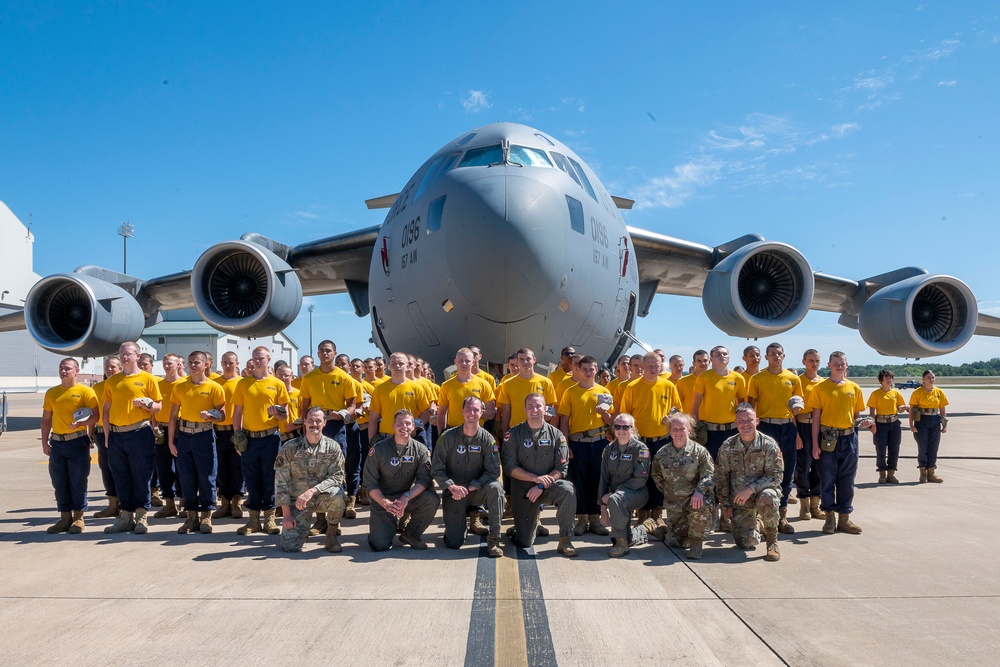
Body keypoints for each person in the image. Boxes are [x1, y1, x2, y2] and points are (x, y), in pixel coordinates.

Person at [501, 393, 578, 557]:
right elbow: (509, 467)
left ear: (545, 409)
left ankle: (565, 539)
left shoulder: (557, 435)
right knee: (524, 542)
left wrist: (541, 485)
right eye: (530, 407)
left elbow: (562, 468)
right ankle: (524, 526)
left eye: (538, 406)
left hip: (547, 486)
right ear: (525, 410)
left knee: (568, 489)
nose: (534, 410)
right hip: (524, 491)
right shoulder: (513, 434)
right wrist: (535, 479)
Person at [101, 341, 163, 534]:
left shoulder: (148, 378)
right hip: (117, 434)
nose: (124, 357)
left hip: (139, 432)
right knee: (120, 476)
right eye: (121, 354)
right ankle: (125, 516)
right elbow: (106, 409)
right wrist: (106, 434)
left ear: (137, 355)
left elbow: (158, 406)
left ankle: (141, 516)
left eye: (128, 354)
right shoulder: (112, 381)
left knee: (141, 475)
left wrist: (147, 405)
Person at [431, 396, 505, 557]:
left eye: (476, 410)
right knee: (454, 543)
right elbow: (436, 468)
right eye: (468, 409)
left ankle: (494, 539)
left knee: (496, 488)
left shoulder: (487, 439)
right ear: (462, 411)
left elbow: (493, 472)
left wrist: (471, 487)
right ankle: (458, 525)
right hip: (454, 493)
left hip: (477, 490)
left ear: (482, 412)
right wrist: (451, 486)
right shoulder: (448, 437)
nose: (472, 413)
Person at [807, 351, 870, 535]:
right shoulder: (820, 388)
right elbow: (816, 418)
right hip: (828, 439)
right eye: (835, 363)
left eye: (842, 363)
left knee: (847, 480)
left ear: (846, 364)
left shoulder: (854, 388)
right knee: (827, 478)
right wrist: (815, 444)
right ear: (829, 365)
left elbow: (857, 417)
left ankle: (844, 518)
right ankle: (829, 518)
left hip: (849, 438)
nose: (839, 366)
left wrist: (865, 423)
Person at [618, 351, 681, 524]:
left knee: (660, 477)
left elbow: (677, 410)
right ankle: (643, 514)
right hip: (640, 442)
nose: (654, 369)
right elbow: (625, 415)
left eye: (657, 365)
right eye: (650, 366)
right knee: (641, 477)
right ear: (642, 367)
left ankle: (658, 514)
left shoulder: (668, 386)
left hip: (662, 440)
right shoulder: (632, 387)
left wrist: (671, 418)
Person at [363, 409, 440, 551]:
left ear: (413, 427)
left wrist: (406, 497)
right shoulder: (378, 449)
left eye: (407, 423)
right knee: (380, 545)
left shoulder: (420, 450)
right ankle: (386, 525)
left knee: (432, 499)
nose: (404, 427)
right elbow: (370, 483)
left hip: (406, 498)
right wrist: (386, 503)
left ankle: (411, 534)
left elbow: (424, 480)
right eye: (400, 423)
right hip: (383, 500)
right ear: (393, 426)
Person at [232, 346, 289, 536]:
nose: (257, 361)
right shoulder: (243, 384)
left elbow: (285, 414)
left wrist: (277, 412)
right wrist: (237, 437)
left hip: (271, 438)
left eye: (261, 358)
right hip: (249, 439)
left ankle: (270, 519)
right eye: (255, 358)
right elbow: (237, 412)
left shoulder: (277, 384)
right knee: (251, 478)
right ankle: (253, 520)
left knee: (270, 477)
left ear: (269, 359)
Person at [747, 342, 803, 534]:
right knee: (762, 471)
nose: (776, 356)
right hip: (766, 427)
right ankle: (761, 516)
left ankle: (782, 515)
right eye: (772, 354)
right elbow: (750, 408)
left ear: (784, 356)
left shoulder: (792, 378)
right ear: (766, 357)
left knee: (786, 472)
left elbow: (797, 410)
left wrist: (797, 435)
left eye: (779, 353)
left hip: (787, 427)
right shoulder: (757, 378)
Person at [274, 406, 348, 552]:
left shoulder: (333, 447)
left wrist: (313, 491)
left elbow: (337, 476)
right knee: (290, 546)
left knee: (338, 496)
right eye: (311, 421)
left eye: (318, 421)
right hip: (298, 503)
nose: (314, 424)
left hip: (321, 497)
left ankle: (331, 535)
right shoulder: (290, 448)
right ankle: (302, 531)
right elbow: (281, 481)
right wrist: (287, 514)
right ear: (305, 422)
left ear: (324, 423)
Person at [715, 404, 783, 561]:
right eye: (741, 420)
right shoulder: (727, 446)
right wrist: (726, 506)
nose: (745, 424)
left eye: (749, 420)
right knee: (746, 543)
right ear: (735, 423)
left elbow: (776, 476)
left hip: (762, 493)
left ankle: (772, 542)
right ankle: (758, 523)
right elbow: (721, 478)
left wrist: (751, 489)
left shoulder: (768, 444)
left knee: (769, 497)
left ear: (757, 421)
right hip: (739, 501)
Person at [167, 351, 226, 534]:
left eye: (197, 362)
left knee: (207, 476)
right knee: (186, 477)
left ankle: (206, 516)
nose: (193, 365)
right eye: (190, 362)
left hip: (204, 435)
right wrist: (171, 441)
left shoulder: (215, 387)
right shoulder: (180, 387)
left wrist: (211, 416)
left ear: (206, 364)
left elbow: (222, 414)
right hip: (184, 436)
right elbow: (173, 416)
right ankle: (191, 518)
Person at [41, 358, 100, 534]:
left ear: (76, 370)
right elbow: (46, 419)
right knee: (59, 481)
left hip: (77, 441)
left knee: (78, 480)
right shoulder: (52, 393)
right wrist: (44, 441)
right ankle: (64, 518)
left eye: (67, 368)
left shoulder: (86, 391)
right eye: (61, 368)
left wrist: (81, 426)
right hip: (57, 443)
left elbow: (94, 416)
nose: (63, 371)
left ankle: (78, 518)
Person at [692, 345, 747, 531]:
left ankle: (727, 515)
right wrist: (695, 428)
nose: (722, 356)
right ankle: (712, 515)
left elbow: (743, 405)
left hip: (731, 431)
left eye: (725, 354)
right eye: (717, 354)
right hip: (710, 432)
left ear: (729, 357)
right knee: (712, 472)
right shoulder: (704, 378)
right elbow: (695, 406)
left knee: (731, 473)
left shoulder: (737, 378)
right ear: (712, 359)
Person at [558, 355, 614, 537]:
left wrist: (604, 414)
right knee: (579, 481)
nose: (589, 372)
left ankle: (595, 519)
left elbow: (610, 421)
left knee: (598, 480)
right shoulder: (570, 392)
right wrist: (566, 445)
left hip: (599, 442)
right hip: (578, 442)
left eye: (592, 369)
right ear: (579, 370)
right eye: (585, 369)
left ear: (596, 369)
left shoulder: (604, 392)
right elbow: (564, 421)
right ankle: (581, 519)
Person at [650, 412, 715, 560]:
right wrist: (669, 491)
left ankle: (697, 544)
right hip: (675, 504)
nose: (678, 432)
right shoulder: (662, 454)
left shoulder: (700, 452)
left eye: (682, 429)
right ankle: (659, 528)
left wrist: (699, 492)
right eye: (675, 429)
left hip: (695, 500)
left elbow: (709, 475)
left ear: (689, 430)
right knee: (678, 543)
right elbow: (656, 475)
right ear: (669, 431)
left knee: (702, 504)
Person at [598, 413, 654, 558]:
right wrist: (602, 508)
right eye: (617, 426)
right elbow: (604, 478)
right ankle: (646, 527)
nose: (621, 430)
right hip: (617, 496)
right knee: (629, 535)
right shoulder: (609, 449)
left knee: (615, 499)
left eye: (625, 427)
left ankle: (621, 544)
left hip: (637, 493)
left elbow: (640, 479)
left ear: (632, 429)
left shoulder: (640, 449)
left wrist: (614, 493)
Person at [368, 352, 431, 444]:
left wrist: (415, 427)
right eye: (393, 363)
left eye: (401, 363)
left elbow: (425, 414)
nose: (397, 366)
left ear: (407, 366)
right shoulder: (379, 389)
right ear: (389, 366)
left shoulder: (417, 388)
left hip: (409, 438)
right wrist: (371, 442)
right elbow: (373, 418)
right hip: (386, 438)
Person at [212, 351, 245, 521]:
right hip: (218, 431)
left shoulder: (242, 382)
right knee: (221, 468)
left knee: (237, 468)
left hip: (237, 432)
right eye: (224, 362)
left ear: (237, 363)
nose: (227, 365)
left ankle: (237, 502)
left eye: (231, 362)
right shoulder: (214, 383)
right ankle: (224, 502)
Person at [152, 353, 184, 520]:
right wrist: (154, 426)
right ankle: (169, 504)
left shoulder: (184, 384)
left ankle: (184, 502)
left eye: (170, 363)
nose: (166, 365)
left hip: (180, 429)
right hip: (162, 429)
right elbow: (154, 407)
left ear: (178, 365)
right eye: (165, 363)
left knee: (182, 469)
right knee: (163, 468)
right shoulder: (158, 384)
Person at [795, 349, 825, 522]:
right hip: (803, 426)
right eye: (811, 360)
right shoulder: (798, 382)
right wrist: (796, 435)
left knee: (820, 467)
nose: (814, 364)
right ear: (804, 361)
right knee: (803, 467)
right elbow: (791, 412)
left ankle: (816, 505)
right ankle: (804, 505)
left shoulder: (823, 383)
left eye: (817, 361)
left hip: (821, 428)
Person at [91, 355, 122, 519]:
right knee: (106, 467)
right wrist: (89, 434)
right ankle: (112, 503)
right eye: (107, 367)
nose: (110, 370)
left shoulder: (123, 384)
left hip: (120, 431)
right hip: (102, 433)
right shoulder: (97, 388)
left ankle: (125, 503)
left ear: (120, 368)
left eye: (113, 367)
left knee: (122, 467)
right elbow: (94, 413)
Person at [867, 370, 908, 484]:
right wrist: (872, 425)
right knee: (880, 450)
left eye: (890, 378)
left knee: (894, 449)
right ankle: (882, 474)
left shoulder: (896, 393)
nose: (889, 380)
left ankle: (891, 474)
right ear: (881, 380)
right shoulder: (875, 394)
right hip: (881, 424)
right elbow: (871, 411)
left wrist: (903, 408)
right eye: (886, 378)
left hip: (894, 423)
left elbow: (899, 407)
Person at [909, 370, 949, 483]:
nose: (931, 379)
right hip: (922, 420)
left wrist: (944, 425)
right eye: (928, 377)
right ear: (923, 379)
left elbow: (942, 409)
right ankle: (923, 472)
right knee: (923, 447)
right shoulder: (917, 392)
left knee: (933, 447)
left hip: (935, 420)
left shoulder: (939, 392)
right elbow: (912, 409)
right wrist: (911, 425)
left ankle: (931, 472)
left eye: (933, 377)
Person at [349, 358, 376, 505]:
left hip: (365, 428)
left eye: (358, 366)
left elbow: (377, 409)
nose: (355, 368)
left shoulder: (369, 387)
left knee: (366, 461)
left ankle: (365, 490)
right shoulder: (346, 384)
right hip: (351, 427)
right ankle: (352, 492)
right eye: (352, 366)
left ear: (363, 369)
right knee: (352, 461)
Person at [676, 350, 709, 414]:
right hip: (690, 420)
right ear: (694, 363)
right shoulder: (683, 382)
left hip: (711, 421)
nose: (703, 363)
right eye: (699, 361)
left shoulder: (715, 380)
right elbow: (677, 404)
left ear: (709, 362)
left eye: (705, 361)